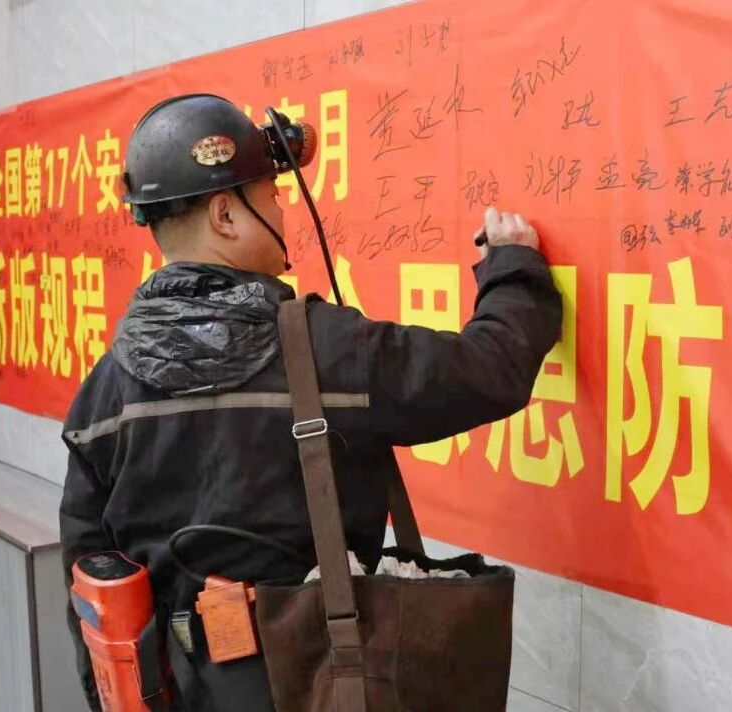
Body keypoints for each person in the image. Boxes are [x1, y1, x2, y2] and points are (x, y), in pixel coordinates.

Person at [58, 93, 562, 710]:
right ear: (225, 214)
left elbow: (91, 586)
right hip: (324, 684)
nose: (281, 211)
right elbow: (489, 370)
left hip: (178, 691)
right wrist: (512, 268)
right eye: (271, 195)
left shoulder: (103, 393)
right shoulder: (326, 350)